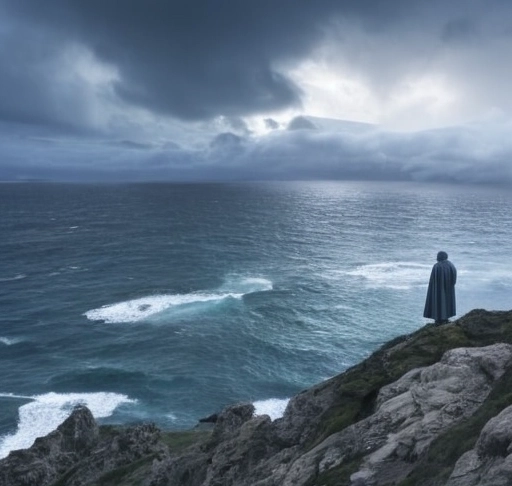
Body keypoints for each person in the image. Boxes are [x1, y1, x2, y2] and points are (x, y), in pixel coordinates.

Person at [423, 251, 457, 325]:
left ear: (439, 257)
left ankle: (439, 320)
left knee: (438, 303)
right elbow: (454, 279)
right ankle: (446, 318)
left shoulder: (437, 266)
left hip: (438, 289)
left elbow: (433, 281)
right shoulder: (451, 265)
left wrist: (434, 290)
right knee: (447, 303)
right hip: (449, 290)